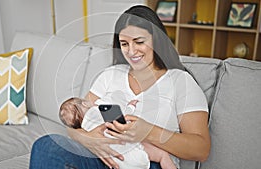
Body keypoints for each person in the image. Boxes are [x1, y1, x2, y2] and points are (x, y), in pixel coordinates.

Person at [30, 5, 210, 169]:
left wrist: (147, 132)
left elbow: (201, 149)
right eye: (125, 44)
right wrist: (89, 139)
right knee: (45, 146)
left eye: (139, 42)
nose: (131, 51)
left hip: (147, 163)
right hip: (102, 158)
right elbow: (75, 123)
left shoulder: (181, 82)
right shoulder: (110, 75)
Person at [59, 97, 177, 169]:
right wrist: (131, 106)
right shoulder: (99, 110)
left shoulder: (85, 129)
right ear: (85, 104)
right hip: (133, 153)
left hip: (117, 163)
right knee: (162, 155)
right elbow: (123, 118)